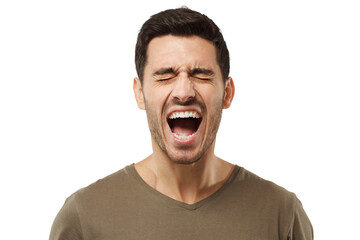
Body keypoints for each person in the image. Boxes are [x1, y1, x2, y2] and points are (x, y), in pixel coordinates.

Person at [49, 7, 313, 240]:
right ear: (140, 93)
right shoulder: (84, 218)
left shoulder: (282, 215)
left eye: (201, 74)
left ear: (227, 93)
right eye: (165, 76)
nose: (184, 92)